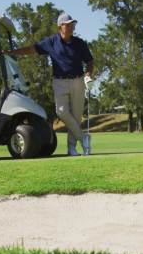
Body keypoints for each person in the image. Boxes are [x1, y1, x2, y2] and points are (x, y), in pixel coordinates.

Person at [7, 12, 94, 156]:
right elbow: (32, 49)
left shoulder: (80, 43)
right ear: (60, 26)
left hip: (78, 81)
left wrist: (89, 74)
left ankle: (72, 148)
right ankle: (83, 138)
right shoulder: (51, 42)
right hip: (59, 81)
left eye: (72, 24)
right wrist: (11, 52)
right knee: (61, 111)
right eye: (68, 25)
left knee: (76, 116)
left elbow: (90, 61)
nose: (72, 27)